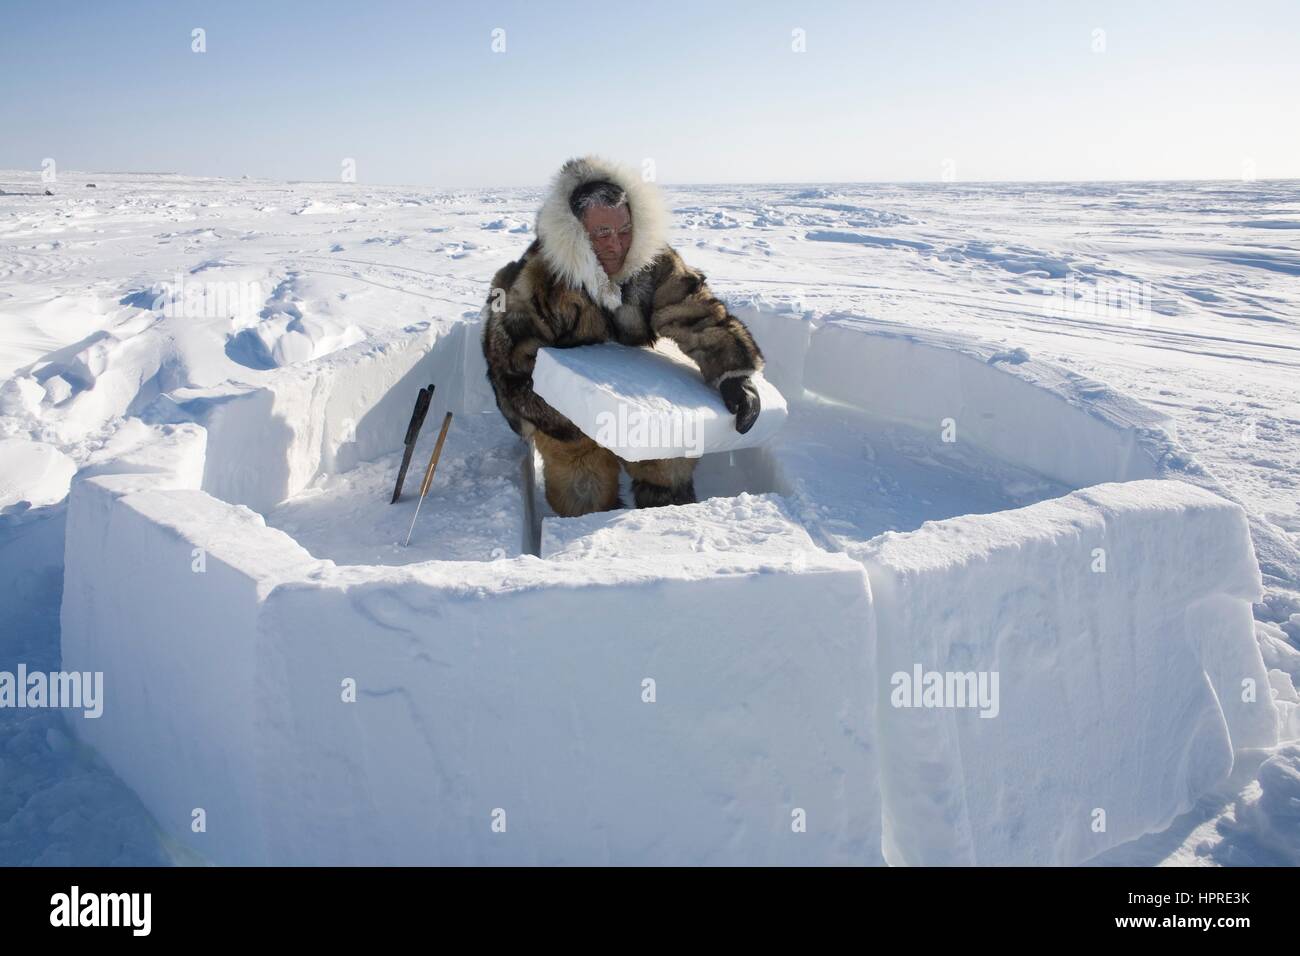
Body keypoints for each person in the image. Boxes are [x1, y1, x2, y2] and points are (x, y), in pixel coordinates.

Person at [481, 154, 765, 517]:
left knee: (670, 454)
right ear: (576, 233)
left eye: (624, 230)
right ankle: (586, 556)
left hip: (638, 395)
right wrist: (580, 418)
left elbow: (696, 315)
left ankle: (671, 538)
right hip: (563, 410)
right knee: (582, 481)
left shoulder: (655, 263)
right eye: (602, 233)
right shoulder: (535, 281)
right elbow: (512, 368)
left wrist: (734, 373)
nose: (616, 244)